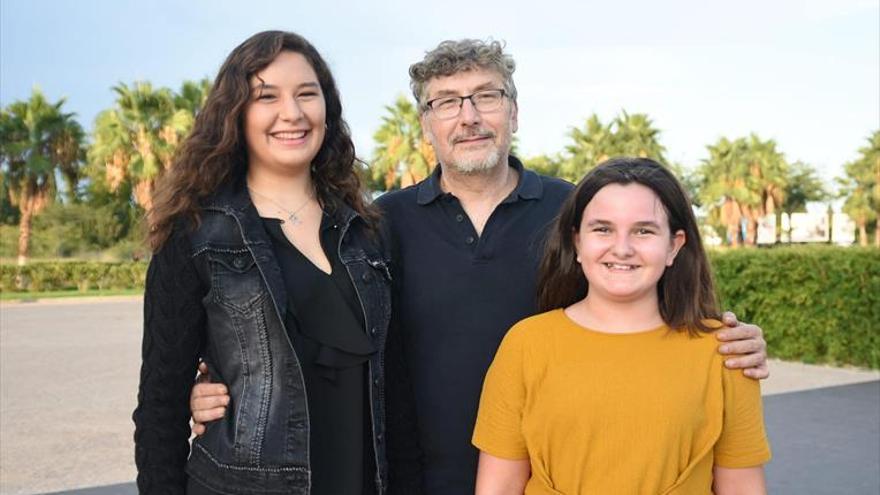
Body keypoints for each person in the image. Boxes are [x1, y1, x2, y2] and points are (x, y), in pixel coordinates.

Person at [190, 39, 770, 495]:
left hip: (551, 475)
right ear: (426, 124)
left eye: (486, 96)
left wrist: (731, 340)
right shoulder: (375, 224)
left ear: (513, 111)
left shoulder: (576, 211)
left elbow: (645, 296)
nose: (468, 116)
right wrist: (221, 381)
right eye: (446, 102)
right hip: (410, 477)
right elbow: (311, 329)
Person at [133, 30, 394, 495]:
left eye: (307, 94)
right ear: (236, 113)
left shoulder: (366, 231)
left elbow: (392, 384)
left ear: (327, 109)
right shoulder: (194, 233)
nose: (291, 113)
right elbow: (160, 404)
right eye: (266, 96)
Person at [472, 157, 771, 494]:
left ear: (674, 246)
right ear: (577, 243)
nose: (623, 248)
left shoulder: (726, 351)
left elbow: (742, 487)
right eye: (603, 229)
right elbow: (499, 486)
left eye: (644, 231)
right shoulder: (526, 345)